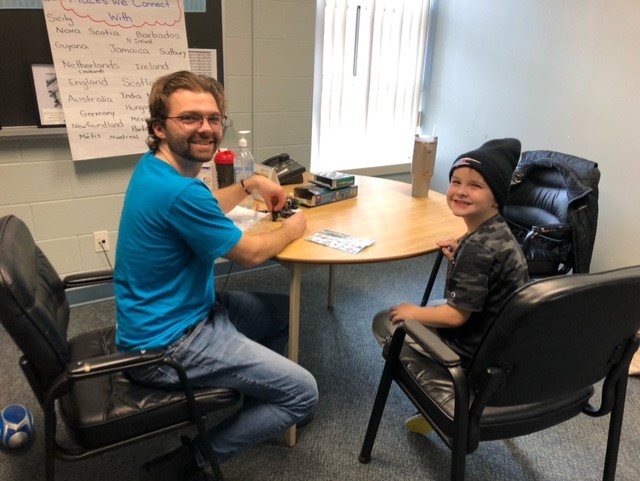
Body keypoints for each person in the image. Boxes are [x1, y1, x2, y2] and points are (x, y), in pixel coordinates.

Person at [113, 71, 318, 481]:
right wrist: (295, 226)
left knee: (284, 312)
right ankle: (193, 461)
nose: (206, 128)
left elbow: (206, 202)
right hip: (168, 346)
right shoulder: (178, 192)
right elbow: (251, 255)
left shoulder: (156, 170)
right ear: (159, 127)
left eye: (213, 118)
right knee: (303, 393)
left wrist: (251, 183)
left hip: (183, 315)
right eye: (189, 118)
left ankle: (257, 399)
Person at [372, 138, 529, 434]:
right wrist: (461, 254)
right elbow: (488, 274)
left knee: (385, 321)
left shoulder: (477, 249)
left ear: (496, 196)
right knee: (429, 310)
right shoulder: (497, 233)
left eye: (475, 186)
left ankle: (437, 401)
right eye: (456, 181)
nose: (460, 191)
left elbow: (455, 316)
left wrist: (411, 312)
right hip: (501, 344)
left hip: (473, 355)